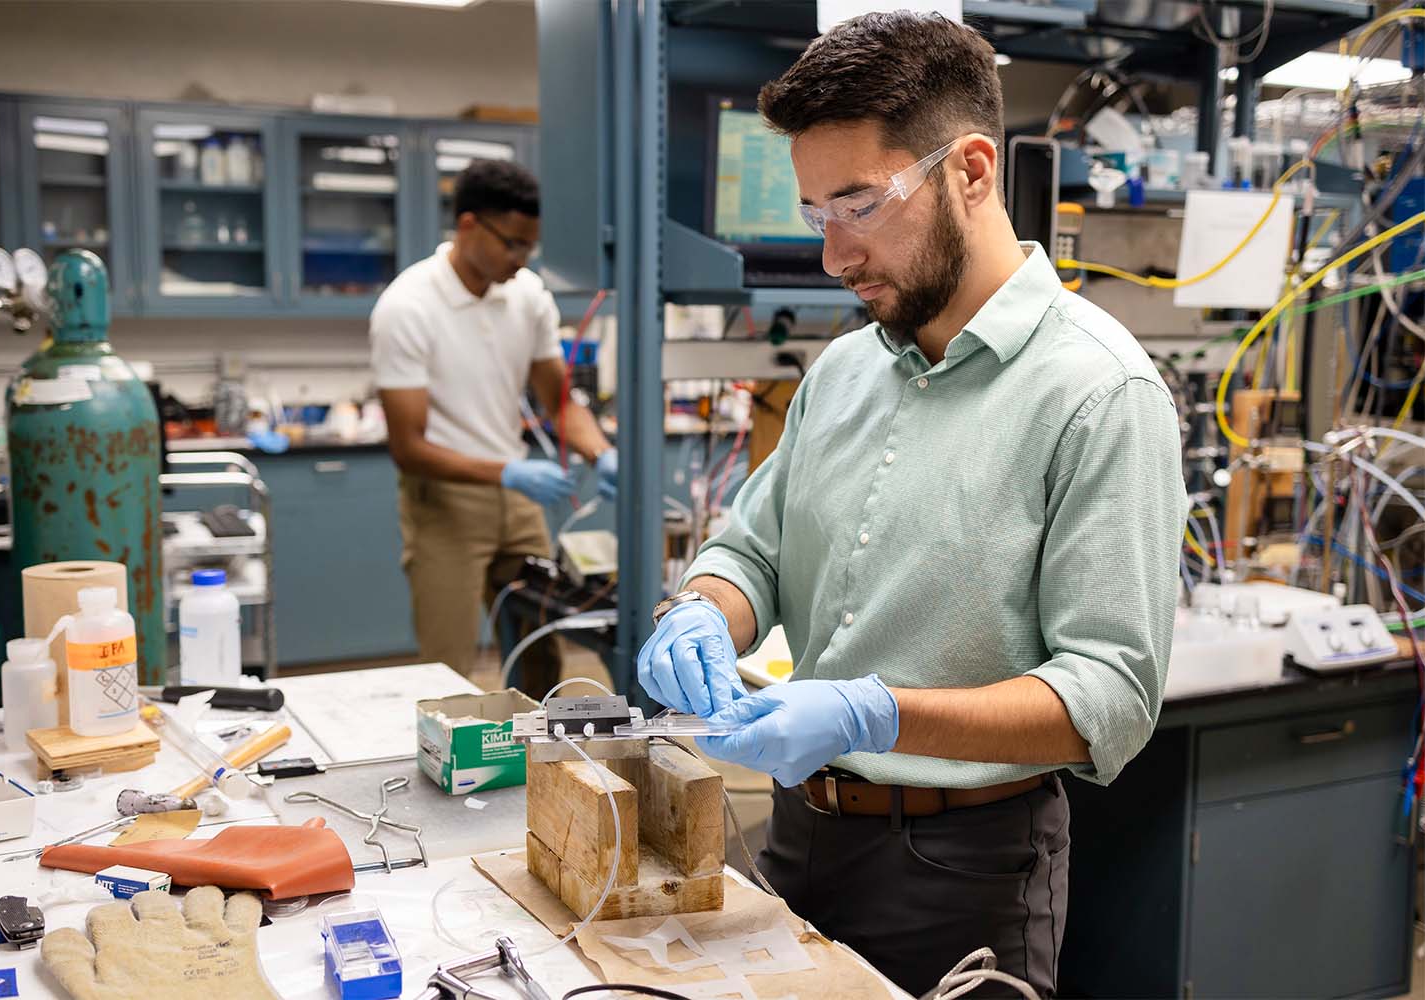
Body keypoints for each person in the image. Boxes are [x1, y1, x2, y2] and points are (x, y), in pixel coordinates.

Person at [637, 13, 1184, 997]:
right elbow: (751, 550)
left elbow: (1110, 695)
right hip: (798, 835)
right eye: (815, 213)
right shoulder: (843, 370)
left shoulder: (1099, 393)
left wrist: (873, 711)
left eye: (859, 203)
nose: (834, 255)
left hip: (966, 871)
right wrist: (700, 614)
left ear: (972, 170)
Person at [370, 159, 616, 700]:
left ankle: (543, 771)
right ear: (468, 226)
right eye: (512, 244)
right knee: (447, 666)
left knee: (541, 646)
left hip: (517, 502)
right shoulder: (407, 307)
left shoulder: (526, 295)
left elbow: (558, 399)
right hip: (446, 501)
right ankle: (451, 779)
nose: (523, 259)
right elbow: (408, 448)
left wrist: (601, 451)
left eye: (531, 246)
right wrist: (507, 472)